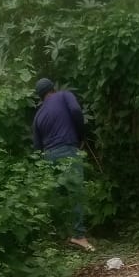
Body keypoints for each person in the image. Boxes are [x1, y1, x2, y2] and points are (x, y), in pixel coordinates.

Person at [33, 78, 94, 251]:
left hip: (49, 156)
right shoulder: (64, 95)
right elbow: (75, 110)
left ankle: (58, 236)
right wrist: (81, 135)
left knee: (56, 196)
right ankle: (78, 236)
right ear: (53, 88)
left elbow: (37, 146)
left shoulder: (38, 115)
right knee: (75, 194)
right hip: (68, 151)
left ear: (40, 96)